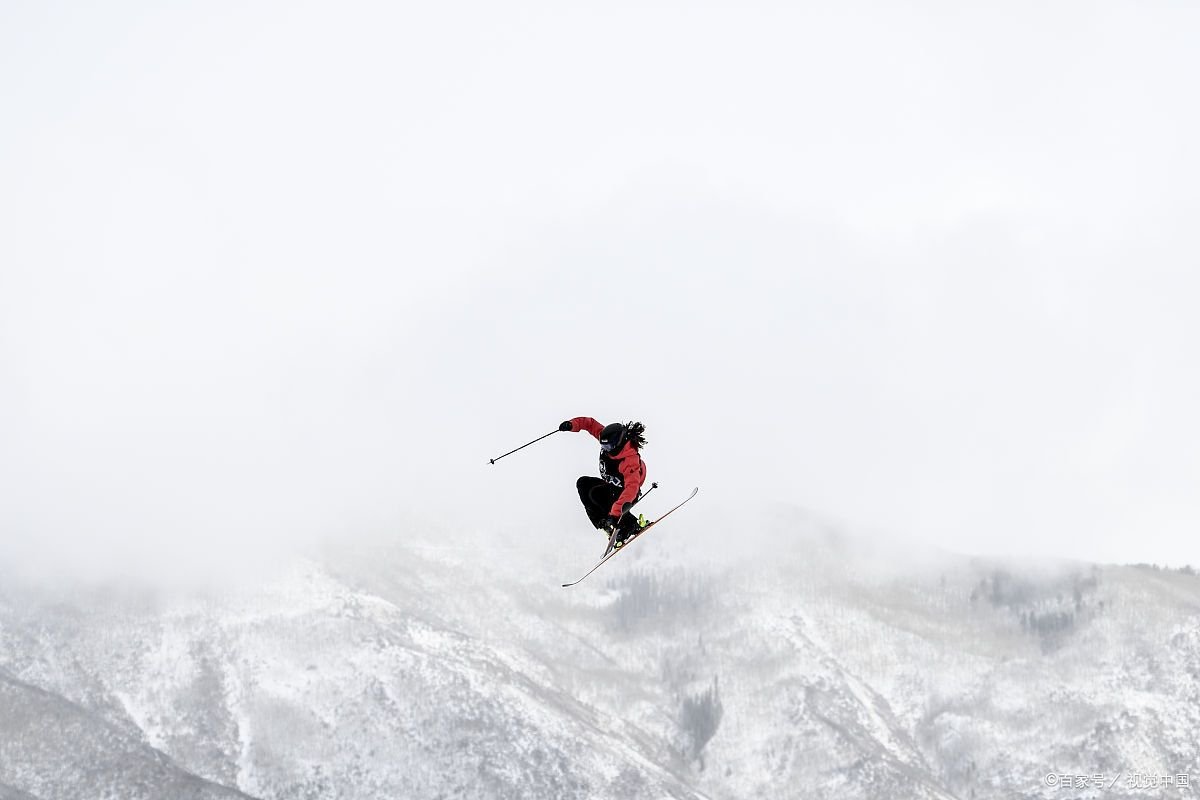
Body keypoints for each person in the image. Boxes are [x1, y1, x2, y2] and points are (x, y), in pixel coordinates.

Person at [559, 417, 649, 548]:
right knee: (583, 483)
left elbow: (631, 488)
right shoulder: (608, 441)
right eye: (603, 445)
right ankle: (606, 525)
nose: (605, 449)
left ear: (618, 443)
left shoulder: (629, 460)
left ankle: (630, 525)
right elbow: (589, 424)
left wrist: (615, 514)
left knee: (598, 495)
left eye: (608, 446)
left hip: (628, 493)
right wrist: (571, 424)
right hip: (613, 486)